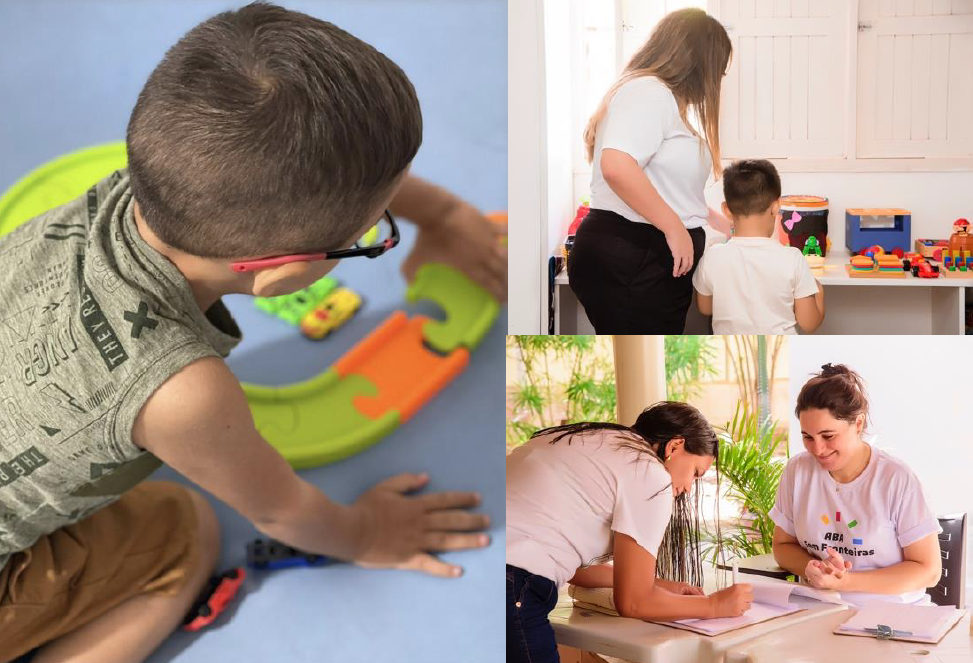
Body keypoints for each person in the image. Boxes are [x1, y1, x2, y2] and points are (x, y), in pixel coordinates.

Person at [0, 4, 503, 662]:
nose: (381, 226)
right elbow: (283, 511)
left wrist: (440, 212)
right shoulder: (184, 393)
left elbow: (319, 166)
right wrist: (370, 531)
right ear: (283, 278)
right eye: (368, 238)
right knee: (185, 533)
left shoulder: (132, 184)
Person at [506, 402, 753, 663]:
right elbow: (633, 602)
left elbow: (575, 569)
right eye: (695, 472)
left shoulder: (587, 441)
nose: (690, 487)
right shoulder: (650, 472)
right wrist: (715, 605)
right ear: (675, 446)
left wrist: (656, 583)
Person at [567, 8, 733, 333]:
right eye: (717, 71)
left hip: (640, 260)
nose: (717, 81)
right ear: (698, 62)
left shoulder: (658, 98)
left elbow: (661, 184)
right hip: (635, 261)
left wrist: (714, 219)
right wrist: (675, 228)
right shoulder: (651, 93)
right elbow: (617, 167)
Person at [770, 364, 943, 606]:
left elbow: (929, 571)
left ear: (858, 424)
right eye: (807, 437)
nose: (817, 449)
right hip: (818, 610)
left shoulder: (896, 478)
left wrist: (844, 581)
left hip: (893, 615)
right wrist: (813, 568)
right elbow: (782, 546)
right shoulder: (797, 471)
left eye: (828, 436)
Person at [692, 159, 825, 334]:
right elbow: (809, 323)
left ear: (726, 210)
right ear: (776, 206)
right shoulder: (792, 258)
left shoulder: (712, 256)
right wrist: (818, 290)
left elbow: (706, 308)